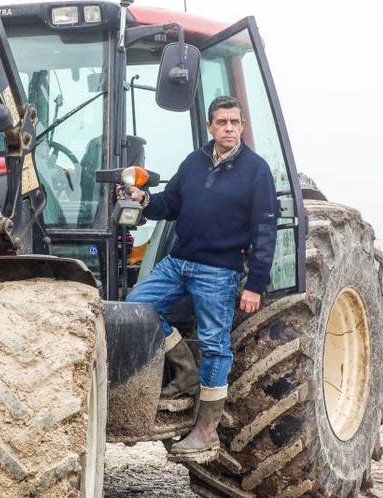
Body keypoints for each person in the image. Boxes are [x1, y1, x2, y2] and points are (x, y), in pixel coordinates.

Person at [124, 95, 278, 460]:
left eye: (235, 122)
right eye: (222, 122)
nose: (229, 128)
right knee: (135, 307)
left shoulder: (256, 170)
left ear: (242, 126)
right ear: (210, 126)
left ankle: (206, 430)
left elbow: (265, 231)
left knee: (215, 344)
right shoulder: (194, 161)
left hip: (218, 271)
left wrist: (255, 283)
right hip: (179, 262)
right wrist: (144, 200)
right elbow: (170, 204)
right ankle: (185, 369)